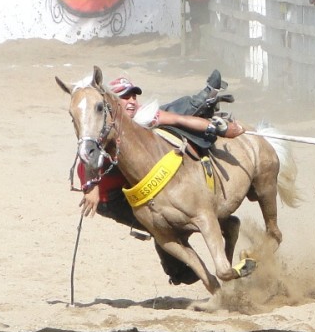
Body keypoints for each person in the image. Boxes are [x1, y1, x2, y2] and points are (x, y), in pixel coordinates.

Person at [78, 73, 244, 284]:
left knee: (171, 110)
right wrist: (92, 187)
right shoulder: (107, 125)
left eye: (133, 97)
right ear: (112, 102)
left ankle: (204, 98)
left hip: (137, 185)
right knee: (161, 227)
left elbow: (178, 119)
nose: (130, 102)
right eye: (124, 97)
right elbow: (89, 152)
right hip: (110, 197)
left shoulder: (141, 118)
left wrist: (214, 128)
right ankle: (181, 271)